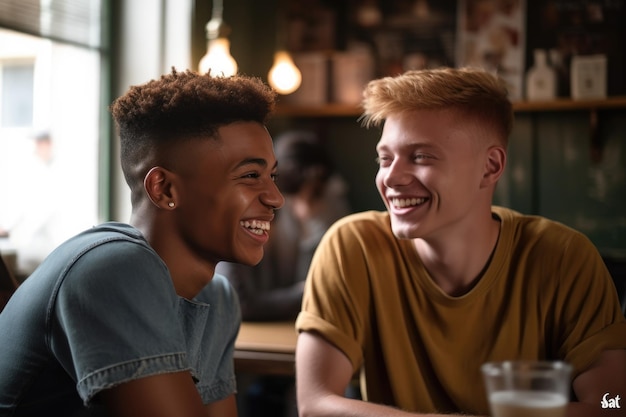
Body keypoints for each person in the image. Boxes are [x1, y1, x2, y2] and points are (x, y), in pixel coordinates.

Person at [294, 67, 626, 417]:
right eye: (385, 158)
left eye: (420, 156)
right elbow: (315, 404)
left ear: (490, 166)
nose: (390, 177)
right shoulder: (353, 247)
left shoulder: (565, 257)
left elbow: (614, 402)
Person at [0, 69, 284, 417]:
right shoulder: (113, 268)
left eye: (273, 175)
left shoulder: (216, 299)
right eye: (251, 176)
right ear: (164, 189)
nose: (275, 198)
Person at [216, 130, 351, 417]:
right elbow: (243, 303)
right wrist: (309, 290)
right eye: (255, 176)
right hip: (239, 348)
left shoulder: (319, 217)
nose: (274, 198)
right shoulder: (240, 220)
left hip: (283, 342)